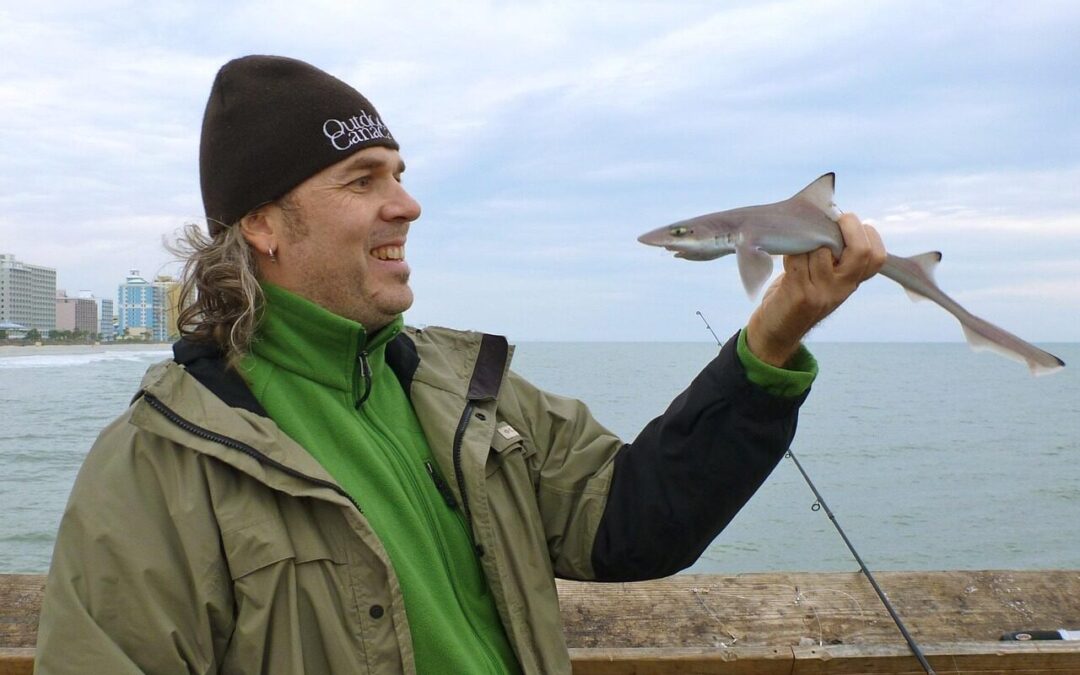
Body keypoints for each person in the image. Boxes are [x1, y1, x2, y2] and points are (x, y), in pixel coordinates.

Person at [35, 55, 886, 674]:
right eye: (363, 179)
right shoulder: (159, 468)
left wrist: (772, 341)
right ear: (264, 223)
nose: (407, 202)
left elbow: (632, 519)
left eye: (399, 173)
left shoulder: (461, 390)